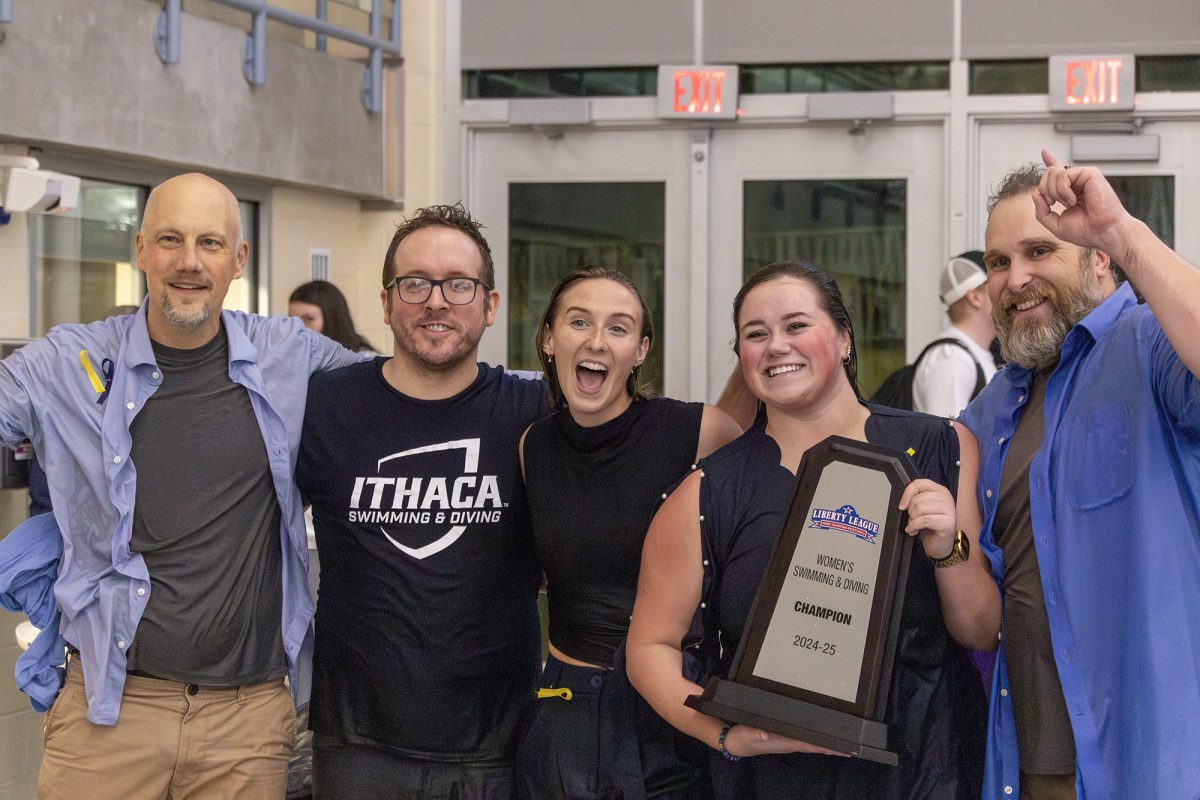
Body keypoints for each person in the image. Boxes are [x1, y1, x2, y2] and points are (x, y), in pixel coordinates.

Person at [0, 172, 364, 799]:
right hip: (109, 717)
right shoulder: (70, 364)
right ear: (140, 250)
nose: (189, 262)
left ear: (238, 259)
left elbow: (405, 396)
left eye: (210, 243)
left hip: (245, 725)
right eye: (170, 240)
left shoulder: (289, 356)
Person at [627, 261, 997, 800]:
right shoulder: (709, 490)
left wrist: (947, 548)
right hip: (776, 779)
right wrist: (724, 733)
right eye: (756, 334)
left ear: (844, 338)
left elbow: (980, 631)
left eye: (796, 325)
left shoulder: (942, 447)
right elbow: (649, 646)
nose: (776, 345)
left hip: (923, 769)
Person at [959, 151, 1200, 800]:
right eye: (999, 262)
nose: (1016, 279)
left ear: (1097, 262)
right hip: (1031, 767)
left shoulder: (1147, 344)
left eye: (1041, 251)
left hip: (1156, 761)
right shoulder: (984, 415)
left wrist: (1121, 230)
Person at [296, 203, 549, 800]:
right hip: (357, 749)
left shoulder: (532, 414)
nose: (436, 301)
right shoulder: (324, 405)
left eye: (459, 285)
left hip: (498, 751)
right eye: (415, 284)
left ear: (490, 305)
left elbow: (652, 441)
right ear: (385, 303)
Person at [516, 266, 742, 800]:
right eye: (578, 322)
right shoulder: (534, 447)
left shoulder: (699, 432)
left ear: (640, 351)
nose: (597, 340)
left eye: (618, 328)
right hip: (564, 707)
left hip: (670, 710)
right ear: (549, 339)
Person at [911, 251, 998, 417]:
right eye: (995, 286)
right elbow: (945, 439)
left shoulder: (972, 354)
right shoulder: (953, 360)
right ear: (974, 297)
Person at [289, 279, 379, 354]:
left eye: (308, 319)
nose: (297, 328)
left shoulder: (366, 363)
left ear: (332, 319)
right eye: (292, 320)